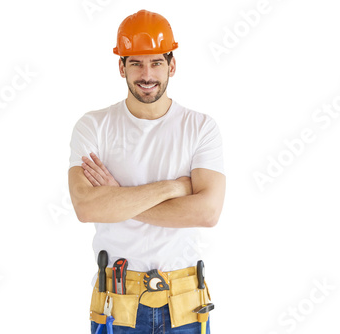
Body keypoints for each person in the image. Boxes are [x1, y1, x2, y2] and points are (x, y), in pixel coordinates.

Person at [68, 9, 226, 333]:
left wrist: (118, 199)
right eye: (136, 63)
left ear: (172, 64)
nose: (147, 74)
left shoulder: (200, 128)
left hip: (185, 304)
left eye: (155, 62)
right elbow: (86, 207)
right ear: (121, 66)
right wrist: (173, 188)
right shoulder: (93, 127)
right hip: (117, 302)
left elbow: (208, 212)